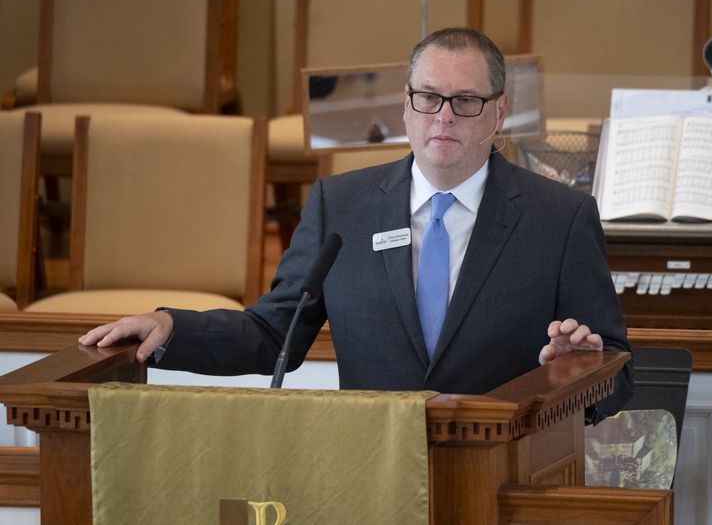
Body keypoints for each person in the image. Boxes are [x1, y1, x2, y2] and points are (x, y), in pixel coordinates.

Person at [80, 27, 632, 420]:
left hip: (502, 474)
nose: (442, 117)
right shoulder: (340, 206)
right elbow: (275, 334)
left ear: (498, 111)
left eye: (465, 101)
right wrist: (173, 328)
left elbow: (617, 375)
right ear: (405, 108)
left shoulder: (559, 218)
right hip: (369, 475)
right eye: (429, 98)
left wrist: (580, 371)